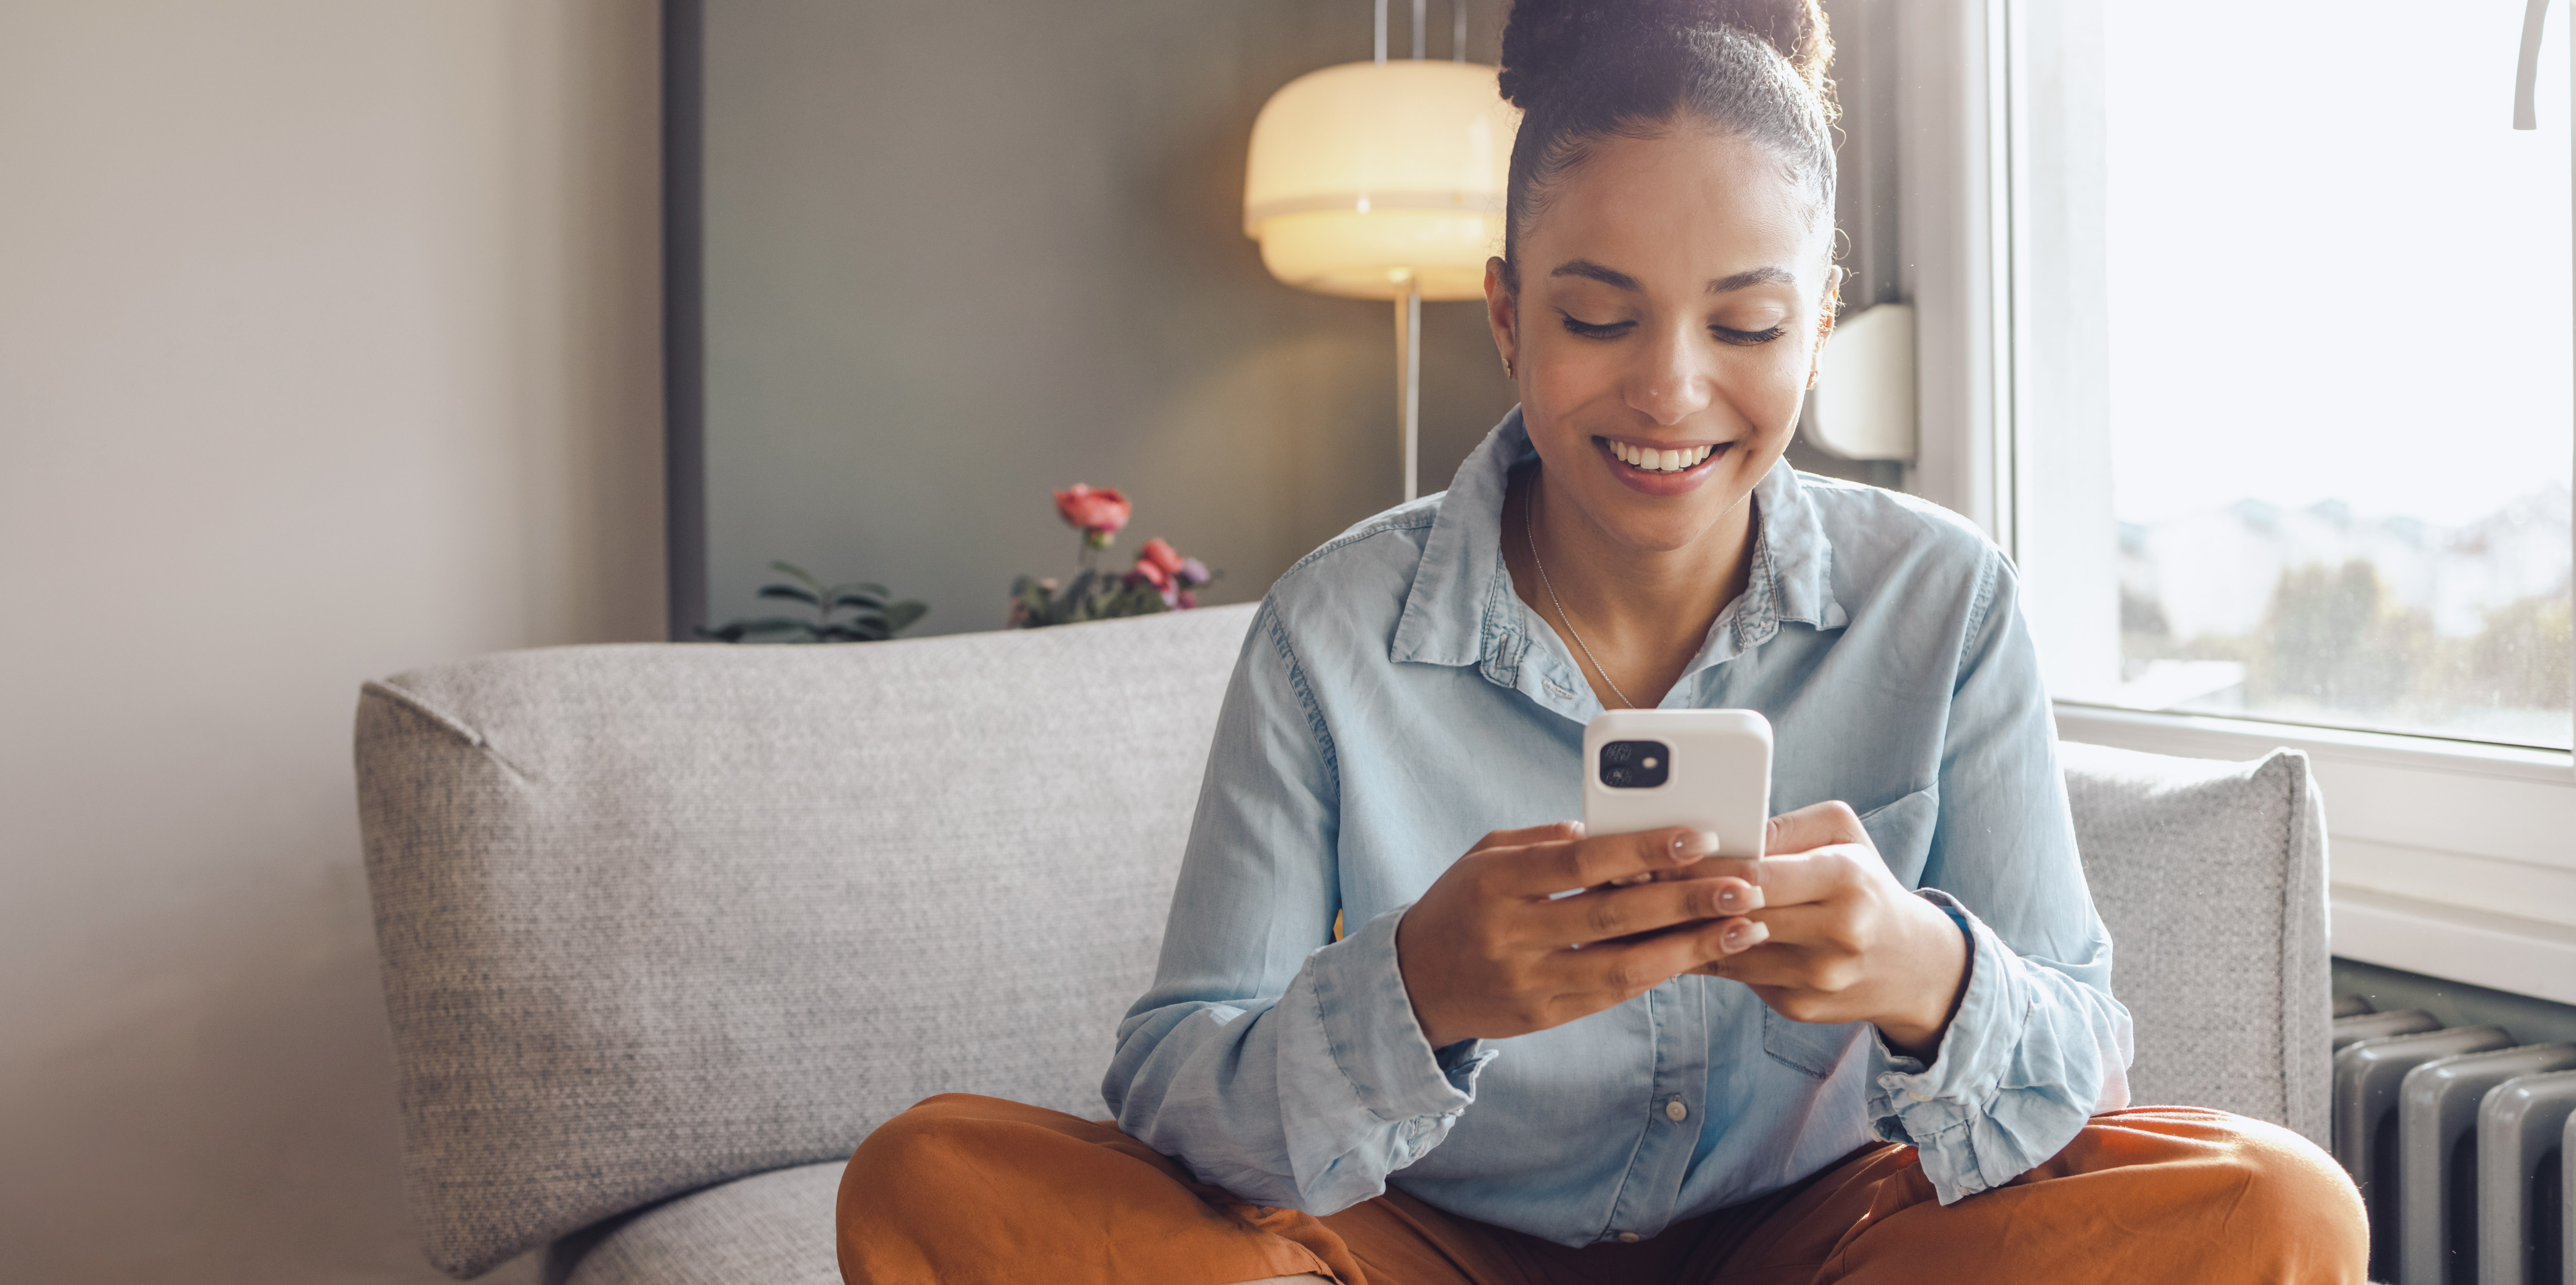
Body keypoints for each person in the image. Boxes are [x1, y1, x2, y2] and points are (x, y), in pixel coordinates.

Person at [837, 1, 2367, 1280]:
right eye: (1599, 317)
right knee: (932, 1179)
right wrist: (1418, 991)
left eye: (1747, 327)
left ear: (1818, 322)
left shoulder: (1945, 602)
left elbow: (2082, 1075)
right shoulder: (1333, 632)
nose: (1672, 392)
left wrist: (1923, 969)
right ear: (1506, 316)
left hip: (1823, 1244)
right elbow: (1179, 1095)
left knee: (2280, 1208)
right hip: (1421, 1238)